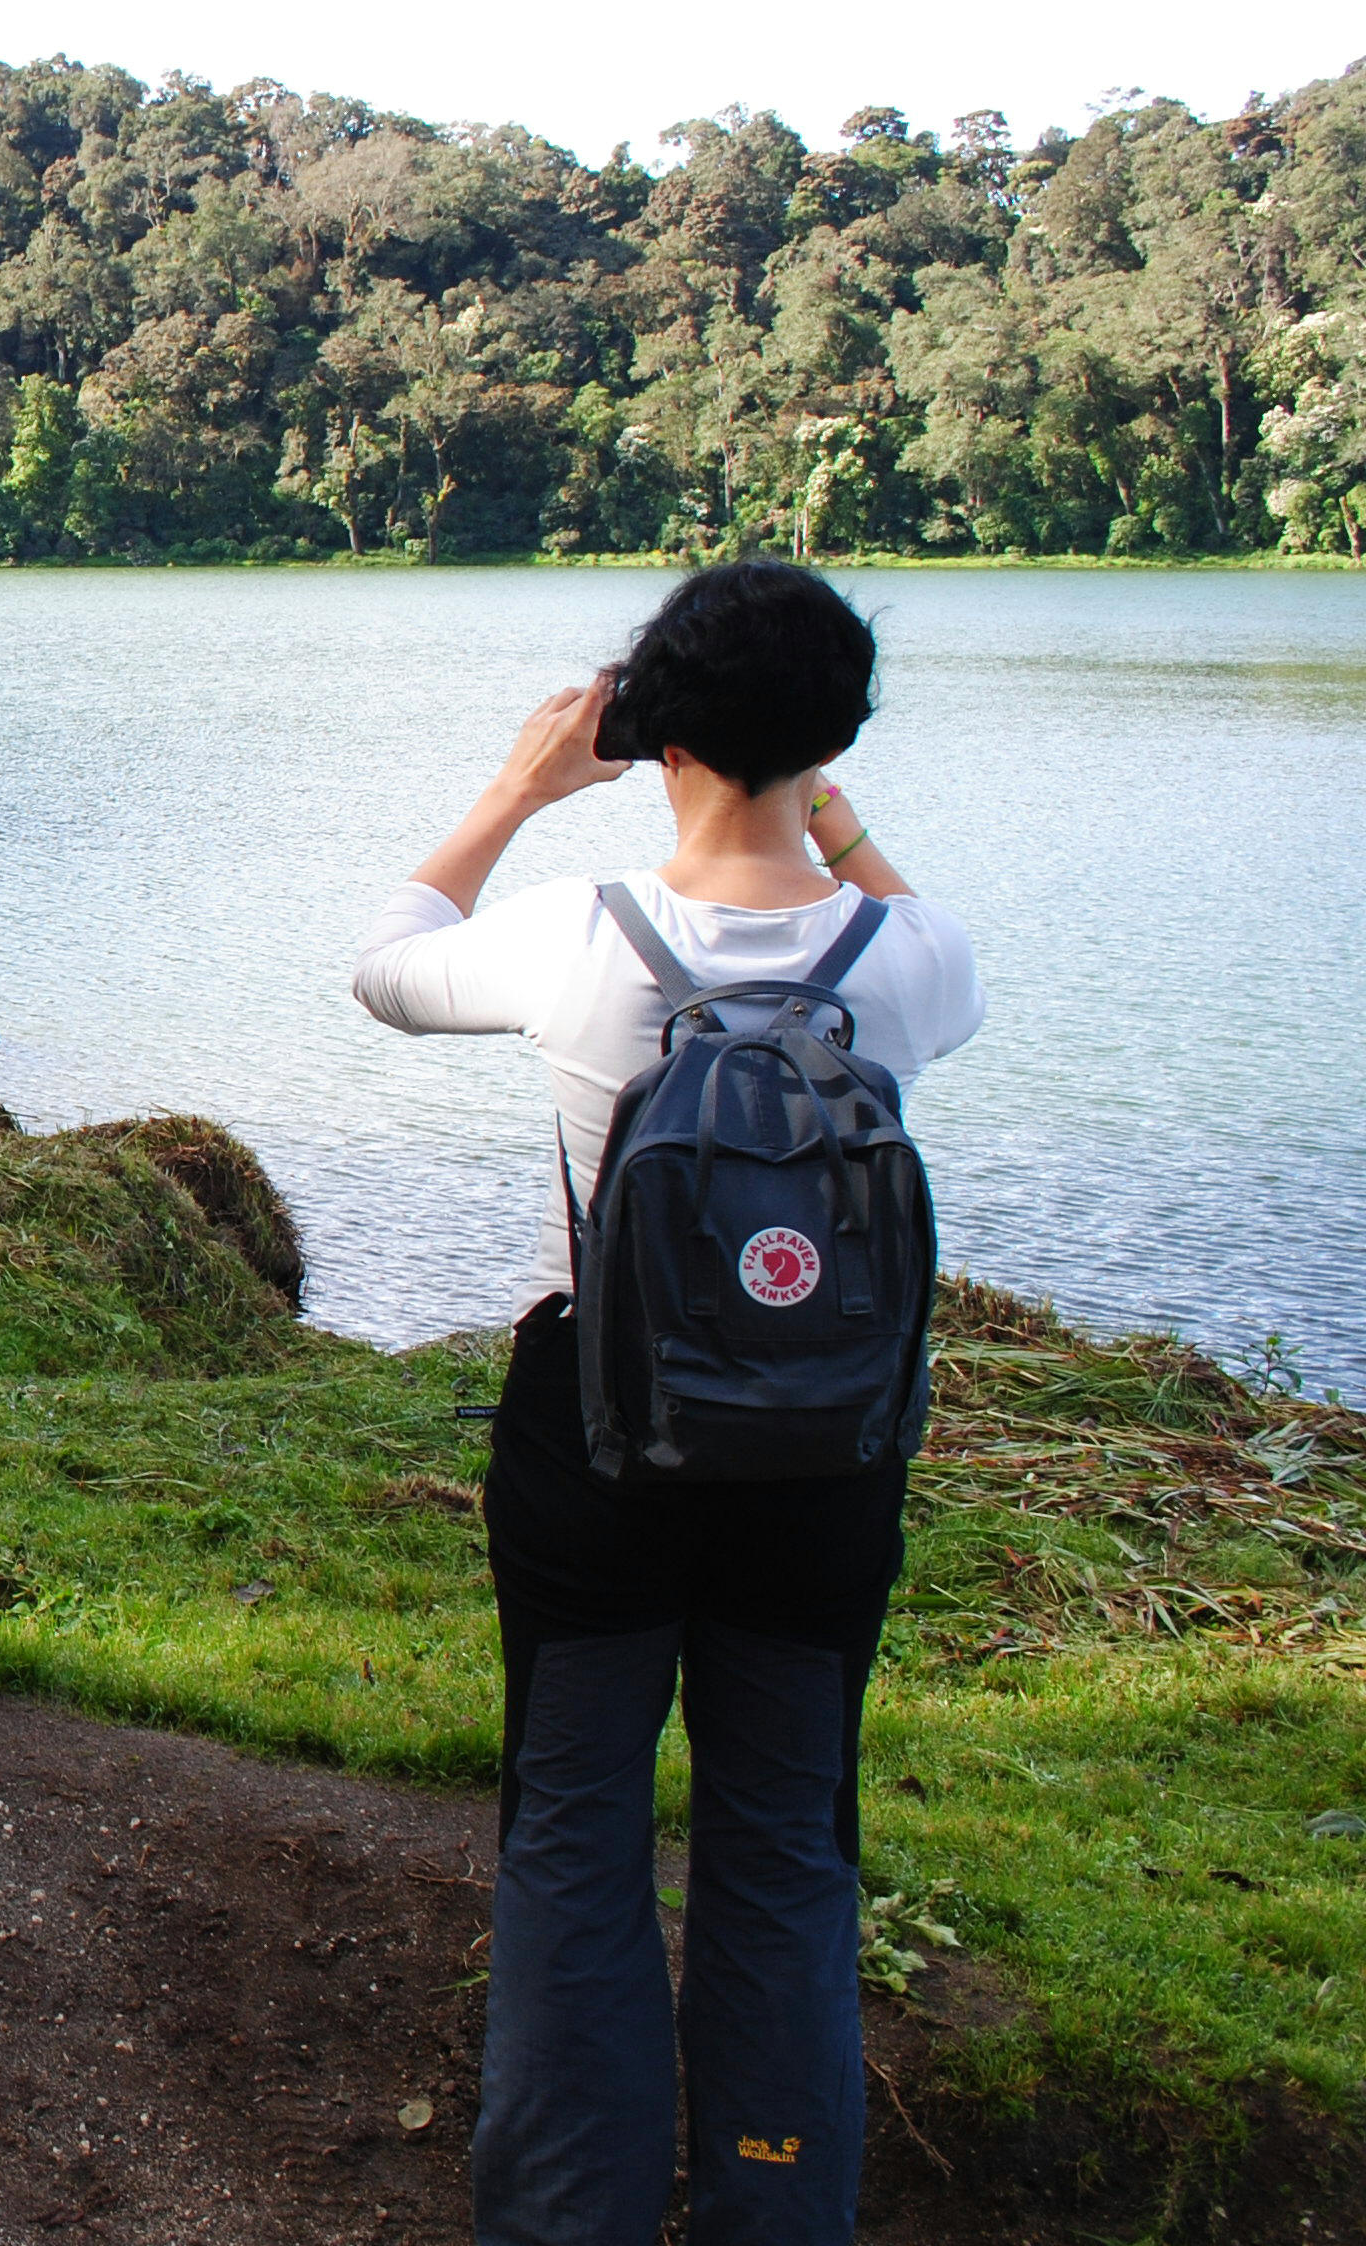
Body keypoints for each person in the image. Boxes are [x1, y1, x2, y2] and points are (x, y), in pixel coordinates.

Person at [347, 562, 983, 2246]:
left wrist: (517, 790)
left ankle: (573, 2215)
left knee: (575, 1829)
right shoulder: (905, 960)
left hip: (597, 1441)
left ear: (658, 736)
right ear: (836, 736)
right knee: (786, 1841)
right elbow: (945, 959)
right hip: (825, 1459)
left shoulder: (587, 934)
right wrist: (836, 826)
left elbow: (388, 967)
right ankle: (775, 2208)